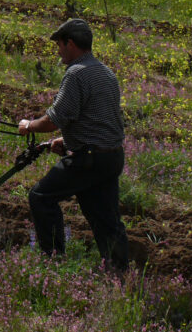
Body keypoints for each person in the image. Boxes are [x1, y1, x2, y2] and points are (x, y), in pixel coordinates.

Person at [17, 18, 129, 273]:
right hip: (110, 158)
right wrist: (67, 141)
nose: (58, 50)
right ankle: (120, 276)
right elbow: (99, 119)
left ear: (70, 43)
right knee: (106, 220)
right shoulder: (106, 73)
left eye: (59, 44)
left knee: (41, 197)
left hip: (88, 160)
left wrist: (29, 126)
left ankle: (54, 263)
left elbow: (55, 119)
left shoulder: (76, 74)